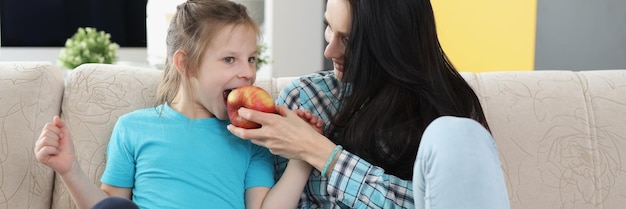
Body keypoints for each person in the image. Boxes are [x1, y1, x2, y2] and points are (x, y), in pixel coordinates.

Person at [226, 0, 511, 208]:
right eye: (329, 28)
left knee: (456, 133)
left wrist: (321, 153)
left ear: (390, 44)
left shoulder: (448, 112)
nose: (329, 50)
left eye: (348, 39)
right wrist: (301, 157)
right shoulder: (306, 98)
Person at [33, 0, 317, 208]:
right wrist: (70, 170)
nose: (248, 72)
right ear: (185, 64)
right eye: (230, 59)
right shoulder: (133, 128)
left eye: (251, 59)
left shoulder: (251, 137)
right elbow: (108, 205)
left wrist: (302, 157)